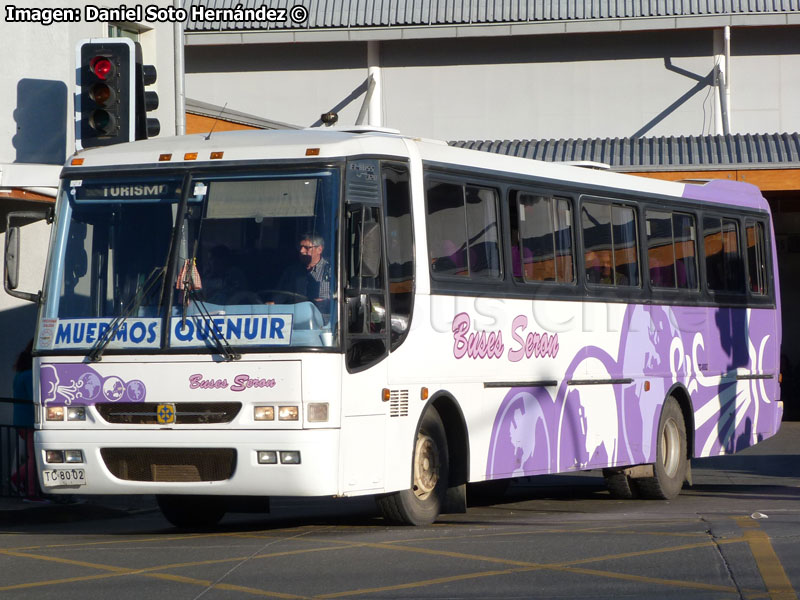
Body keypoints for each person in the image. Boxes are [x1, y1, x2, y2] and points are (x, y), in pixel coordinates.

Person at [274, 233, 331, 304]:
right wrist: (273, 303)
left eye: (306, 248)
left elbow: (338, 299)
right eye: (300, 247)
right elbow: (281, 295)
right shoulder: (291, 272)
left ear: (319, 249)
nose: (301, 251)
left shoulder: (331, 270)